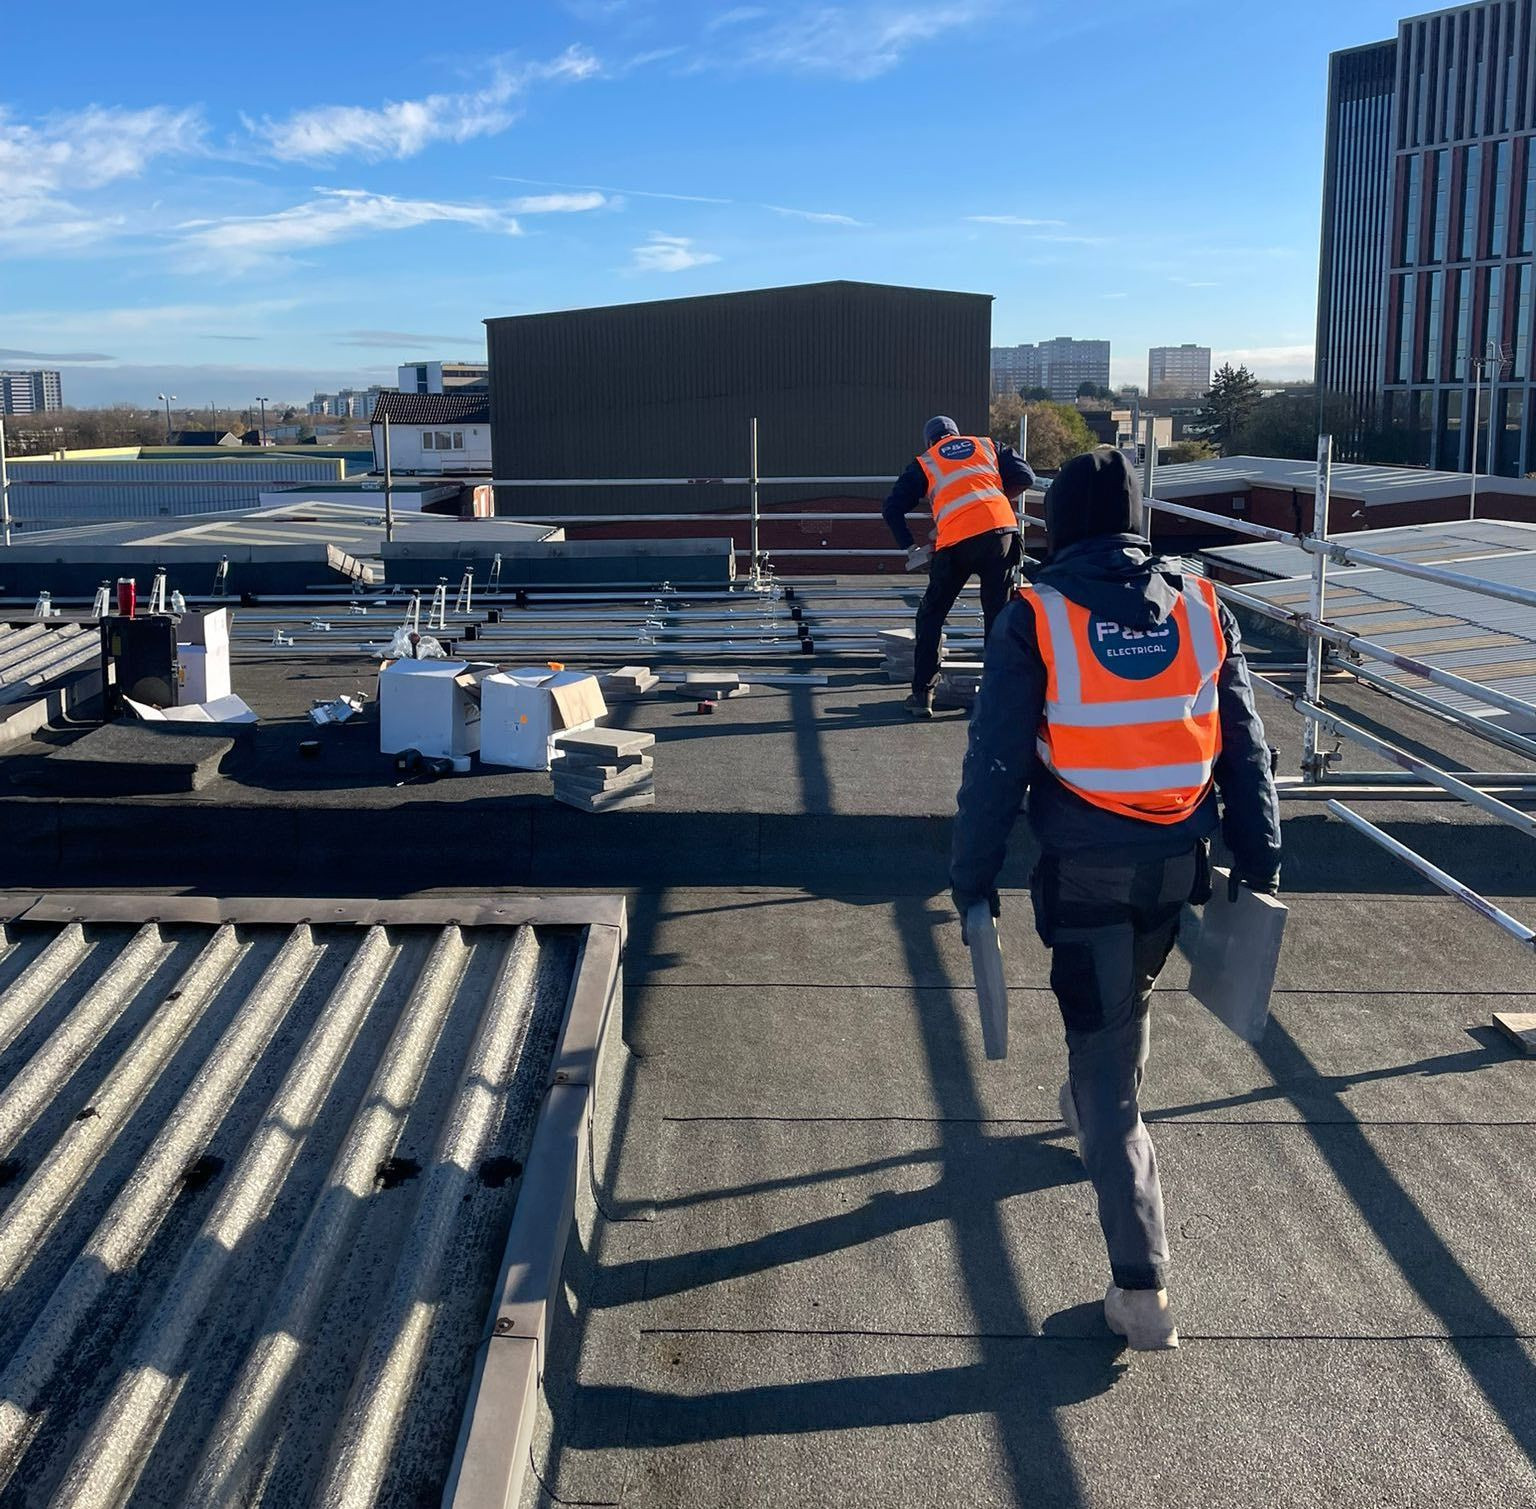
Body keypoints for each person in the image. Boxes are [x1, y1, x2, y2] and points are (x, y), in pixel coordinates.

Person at [950, 446, 1281, 1350]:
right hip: (1180, 867)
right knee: (1121, 1004)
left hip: (1088, 873)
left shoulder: (1038, 615)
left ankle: (1141, 1287)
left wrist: (970, 877)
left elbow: (996, 763)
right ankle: (1090, 1102)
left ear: (1059, 521)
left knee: (1105, 1063)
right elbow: (1245, 747)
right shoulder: (1203, 602)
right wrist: (1263, 862)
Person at [882, 416, 1035, 718]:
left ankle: (923, 694)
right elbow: (1026, 476)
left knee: (931, 615)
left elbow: (892, 508)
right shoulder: (987, 445)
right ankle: (997, 698)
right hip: (1000, 535)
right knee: (997, 617)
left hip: (956, 543)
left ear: (929, 441)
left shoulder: (926, 462)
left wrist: (911, 548)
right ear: (956, 434)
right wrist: (993, 501)